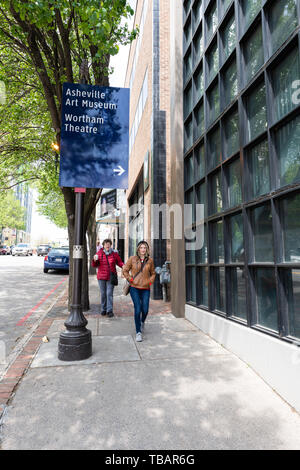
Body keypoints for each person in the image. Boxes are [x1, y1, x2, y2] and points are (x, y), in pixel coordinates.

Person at [122, 241, 156, 342]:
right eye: (141, 247)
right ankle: (138, 332)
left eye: (144, 248)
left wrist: (150, 282)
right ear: (138, 249)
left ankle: (142, 322)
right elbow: (125, 270)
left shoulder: (150, 261)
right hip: (134, 288)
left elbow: (153, 273)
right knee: (138, 309)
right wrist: (130, 279)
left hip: (145, 288)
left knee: (145, 309)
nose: (143, 249)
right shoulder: (132, 259)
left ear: (147, 249)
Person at [92, 239, 124, 318]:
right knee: (103, 294)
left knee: (109, 294)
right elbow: (94, 265)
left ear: (110, 245)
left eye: (109, 244)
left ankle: (109, 310)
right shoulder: (99, 253)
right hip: (101, 277)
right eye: (106, 244)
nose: (107, 245)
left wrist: (124, 266)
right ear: (103, 245)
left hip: (111, 276)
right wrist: (94, 260)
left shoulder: (114, 254)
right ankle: (103, 309)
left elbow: (119, 262)